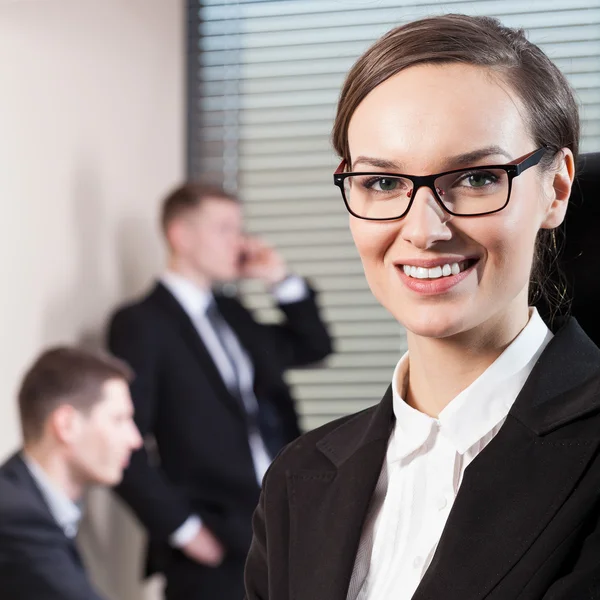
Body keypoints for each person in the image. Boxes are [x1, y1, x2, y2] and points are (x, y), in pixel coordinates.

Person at [244, 14, 600, 600]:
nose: (424, 229)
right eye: (383, 184)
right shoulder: (297, 480)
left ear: (556, 188)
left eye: (478, 177)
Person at [107, 183, 332, 600]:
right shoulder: (142, 324)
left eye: (239, 228)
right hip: (214, 545)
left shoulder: (232, 313)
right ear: (181, 235)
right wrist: (185, 530)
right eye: (225, 229)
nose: (241, 242)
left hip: (282, 525)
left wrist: (279, 280)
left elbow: (313, 346)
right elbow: (122, 442)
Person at [0, 346, 143, 600]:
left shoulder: (24, 499)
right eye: (119, 419)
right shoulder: (16, 515)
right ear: (66, 425)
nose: (135, 439)